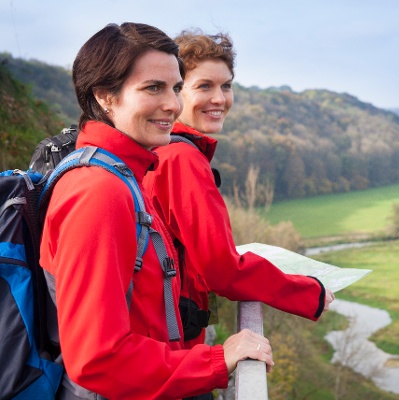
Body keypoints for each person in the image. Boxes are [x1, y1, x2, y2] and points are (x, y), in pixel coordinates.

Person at [39, 22, 272, 400]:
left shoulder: (126, 174)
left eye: (176, 87)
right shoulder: (99, 192)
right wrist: (215, 360)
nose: (172, 104)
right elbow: (97, 359)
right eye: (152, 88)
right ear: (105, 97)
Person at [143, 30, 335, 349]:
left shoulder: (158, 149)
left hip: (163, 337)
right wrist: (307, 292)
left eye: (227, 86)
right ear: (174, 92)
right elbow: (222, 270)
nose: (220, 99)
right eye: (204, 86)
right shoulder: (181, 159)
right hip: (174, 350)